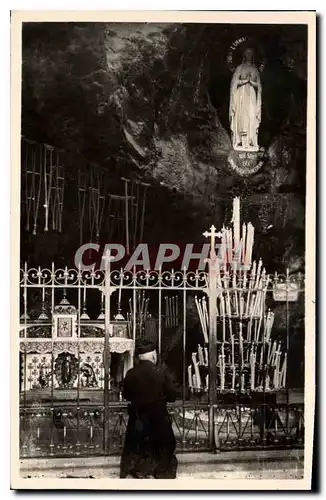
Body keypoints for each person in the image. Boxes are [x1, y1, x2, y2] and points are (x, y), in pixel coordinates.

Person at [120, 338, 178, 479]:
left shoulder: (131, 373)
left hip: (138, 417)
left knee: (136, 443)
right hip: (158, 418)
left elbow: (126, 394)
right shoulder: (160, 372)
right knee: (166, 443)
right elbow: (172, 395)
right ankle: (161, 471)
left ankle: (138, 469)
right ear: (153, 355)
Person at [229, 47, 262, 151]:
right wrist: (243, 82)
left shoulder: (255, 69)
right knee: (242, 115)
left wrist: (252, 83)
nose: (249, 55)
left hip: (251, 94)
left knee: (251, 115)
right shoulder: (240, 68)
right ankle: (241, 141)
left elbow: (259, 86)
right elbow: (234, 82)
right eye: (247, 53)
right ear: (244, 55)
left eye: (250, 54)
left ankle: (250, 141)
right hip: (241, 95)